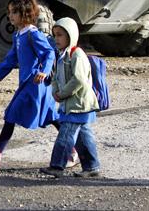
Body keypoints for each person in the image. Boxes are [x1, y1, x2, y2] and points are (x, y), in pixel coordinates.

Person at [0, 0, 58, 171]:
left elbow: (49, 53)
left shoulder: (33, 34)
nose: (10, 16)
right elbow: (10, 60)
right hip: (28, 84)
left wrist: (44, 71)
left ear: (25, 13)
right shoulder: (19, 35)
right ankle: (75, 150)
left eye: (14, 12)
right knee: (52, 118)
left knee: (11, 115)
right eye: (9, 12)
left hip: (35, 84)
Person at [40, 17, 101, 178]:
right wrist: (55, 91)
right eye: (55, 35)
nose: (56, 39)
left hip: (79, 104)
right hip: (72, 103)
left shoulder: (77, 54)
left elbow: (79, 79)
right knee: (83, 136)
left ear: (70, 35)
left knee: (65, 135)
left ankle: (57, 166)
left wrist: (63, 93)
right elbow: (55, 77)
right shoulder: (61, 55)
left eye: (60, 35)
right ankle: (92, 167)